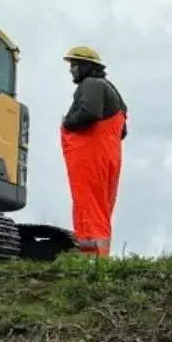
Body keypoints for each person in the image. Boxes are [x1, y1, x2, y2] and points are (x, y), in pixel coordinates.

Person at [60, 45, 128, 257]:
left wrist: (67, 123)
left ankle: (92, 261)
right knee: (100, 208)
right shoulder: (111, 89)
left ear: (86, 66)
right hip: (109, 156)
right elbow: (122, 130)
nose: (71, 70)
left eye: (74, 65)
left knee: (89, 207)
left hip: (91, 156)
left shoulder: (91, 85)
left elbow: (88, 112)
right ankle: (96, 258)